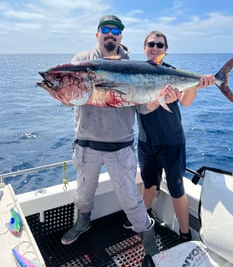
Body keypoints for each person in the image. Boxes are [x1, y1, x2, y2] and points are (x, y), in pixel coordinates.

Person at [61, 17, 170, 259]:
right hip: (86, 143)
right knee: (83, 193)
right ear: (97, 33)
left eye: (116, 31)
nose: (111, 34)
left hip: (120, 147)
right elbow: (71, 96)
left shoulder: (134, 68)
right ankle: (83, 222)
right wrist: (64, 96)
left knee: (130, 197)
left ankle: (147, 235)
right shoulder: (80, 61)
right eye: (106, 30)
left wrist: (158, 97)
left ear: (121, 36)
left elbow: (142, 109)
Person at [123, 30, 216, 243]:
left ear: (165, 50)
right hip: (147, 142)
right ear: (144, 47)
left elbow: (186, 101)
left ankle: (184, 234)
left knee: (176, 189)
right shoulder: (136, 74)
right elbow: (141, 106)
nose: (155, 48)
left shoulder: (173, 73)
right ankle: (142, 221)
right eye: (151, 44)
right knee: (148, 184)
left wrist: (196, 85)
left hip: (173, 141)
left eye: (160, 45)